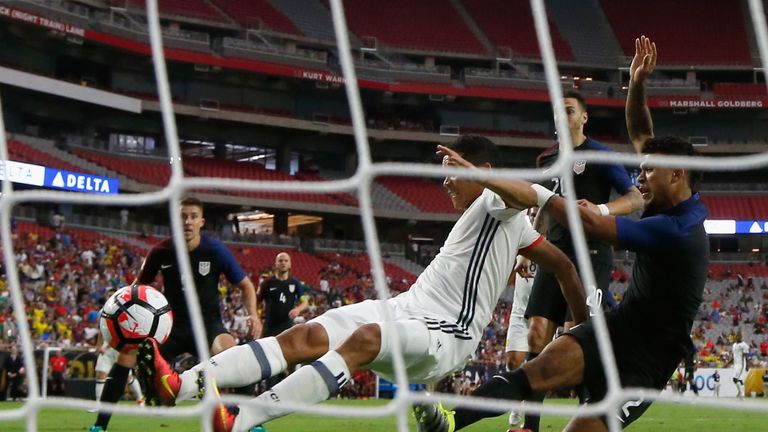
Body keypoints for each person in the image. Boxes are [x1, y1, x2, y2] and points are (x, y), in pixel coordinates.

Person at [137, 135, 588, 432]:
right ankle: (180, 385)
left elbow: (531, 210)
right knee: (306, 333)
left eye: (453, 170)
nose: (446, 181)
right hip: (408, 307)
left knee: (365, 339)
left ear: (481, 168)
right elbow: (563, 266)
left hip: (448, 333)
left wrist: (581, 327)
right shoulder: (502, 221)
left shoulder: (497, 199)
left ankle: (239, 421)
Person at [414, 35, 709, 432]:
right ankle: (451, 421)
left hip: (648, 360)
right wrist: (637, 83)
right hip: (616, 329)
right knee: (536, 368)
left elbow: (588, 223)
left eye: (649, 172)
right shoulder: (669, 196)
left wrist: (526, 190)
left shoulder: (676, 230)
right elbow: (641, 130)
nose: (641, 177)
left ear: (677, 175)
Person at [520, 89, 643, 431]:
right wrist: (528, 244)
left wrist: (600, 210)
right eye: (558, 112)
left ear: (583, 117)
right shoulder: (545, 160)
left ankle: (592, 414)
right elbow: (543, 210)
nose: (563, 117)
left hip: (591, 255)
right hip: (553, 254)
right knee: (536, 335)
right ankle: (529, 424)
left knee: (578, 336)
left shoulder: (602, 155)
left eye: (570, 110)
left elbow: (634, 199)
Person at [90, 197, 259, 432]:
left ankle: (248, 423)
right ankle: (100, 425)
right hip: (171, 327)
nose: (187, 221)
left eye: (192, 217)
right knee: (126, 357)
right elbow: (135, 290)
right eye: (182, 216)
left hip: (208, 325)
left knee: (239, 359)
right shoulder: (160, 251)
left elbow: (246, 285)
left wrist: (253, 314)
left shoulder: (215, 250)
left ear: (201, 222)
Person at [257, 252, 309, 389]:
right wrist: (255, 319)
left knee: (288, 360)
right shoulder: (267, 283)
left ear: (290, 264)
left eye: (286, 260)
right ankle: (269, 391)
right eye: (280, 260)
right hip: (270, 328)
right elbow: (256, 301)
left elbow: (305, 302)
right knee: (270, 361)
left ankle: (286, 390)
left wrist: (298, 309)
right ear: (276, 263)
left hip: (287, 328)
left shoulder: (294, 283)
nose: (283, 263)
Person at [93, 332, 143, 405]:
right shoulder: (103, 320)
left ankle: (140, 399)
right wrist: (98, 346)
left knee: (128, 377)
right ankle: (98, 403)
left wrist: (105, 347)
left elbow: (120, 335)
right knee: (100, 375)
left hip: (120, 349)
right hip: (106, 350)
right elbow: (101, 330)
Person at [732, 333, 750, 399]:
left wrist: (747, 365)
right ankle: (741, 393)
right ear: (735, 337)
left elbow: (746, 356)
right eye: (737, 336)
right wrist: (727, 363)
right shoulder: (734, 345)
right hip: (735, 364)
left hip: (741, 364)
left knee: (735, 379)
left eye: (739, 336)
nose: (738, 337)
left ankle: (742, 395)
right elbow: (733, 356)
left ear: (741, 337)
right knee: (738, 380)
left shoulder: (744, 345)